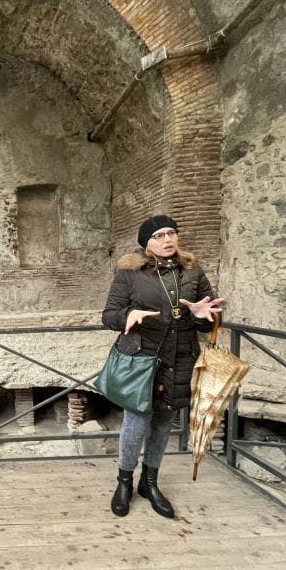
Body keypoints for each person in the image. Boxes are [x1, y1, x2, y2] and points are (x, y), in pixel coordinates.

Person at [101, 215, 223, 519]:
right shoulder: (130, 273)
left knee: (163, 424)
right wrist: (127, 315)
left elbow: (209, 316)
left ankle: (150, 483)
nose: (167, 240)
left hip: (180, 358)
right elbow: (109, 315)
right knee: (135, 424)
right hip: (141, 360)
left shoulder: (193, 271)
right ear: (146, 243)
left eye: (171, 233)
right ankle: (124, 483)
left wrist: (203, 315)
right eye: (158, 236)